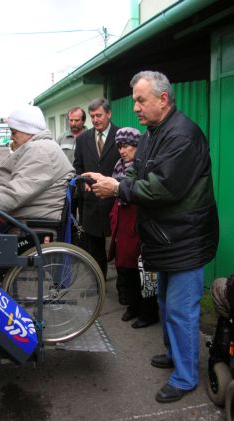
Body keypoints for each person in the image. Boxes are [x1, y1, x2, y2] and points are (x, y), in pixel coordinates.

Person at [82, 71, 219, 403]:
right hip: (162, 237)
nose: (137, 108)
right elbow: (138, 172)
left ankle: (186, 377)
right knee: (163, 301)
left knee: (181, 310)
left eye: (141, 101)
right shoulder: (155, 132)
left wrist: (118, 188)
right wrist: (116, 181)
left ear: (163, 99)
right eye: (134, 102)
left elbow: (163, 188)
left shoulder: (182, 135)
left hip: (184, 239)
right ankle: (175, 356)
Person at [109, 127, 159, 328]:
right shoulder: (118, 165)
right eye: (120, 146)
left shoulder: (146, 166)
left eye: (127, 146)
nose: (123, 150)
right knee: (126, 268)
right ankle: (133, 306)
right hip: (123, 221)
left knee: (144, 269)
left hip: (140, 220)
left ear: (138, 146)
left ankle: (148, 313)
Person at [73, 98, 120, 279]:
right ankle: (98, 282)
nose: (95, 120)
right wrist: (82, 181)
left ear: (108, 114)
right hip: (91, 203)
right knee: (94, 248)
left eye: (99, 115)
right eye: (92, 116)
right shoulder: (83, 139)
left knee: (121, 249)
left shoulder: (120, 135)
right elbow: (77, 167)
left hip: (115, 201)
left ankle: (123, 289)